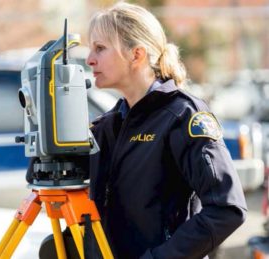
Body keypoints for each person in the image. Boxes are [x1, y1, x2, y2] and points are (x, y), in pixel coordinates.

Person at [85, 2, 247, 259]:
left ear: (136, 55)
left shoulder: (182, 115)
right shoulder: (107, 125)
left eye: (100, 48)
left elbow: (227, 209)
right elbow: (47, 178)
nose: (89, 59)